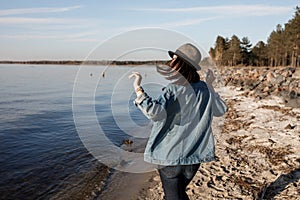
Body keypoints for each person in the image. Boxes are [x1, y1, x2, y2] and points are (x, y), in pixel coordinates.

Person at [129, 43, 227, 200]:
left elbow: (155, 113)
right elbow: (220, 110)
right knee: (179, 194)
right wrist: (210, 86)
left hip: (170, 157)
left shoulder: (173, 89)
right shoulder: (204, 88)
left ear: (181, 63)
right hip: (194, 158)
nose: (170, 63)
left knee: (173, 196)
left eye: (173, 59)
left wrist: (138, 89)